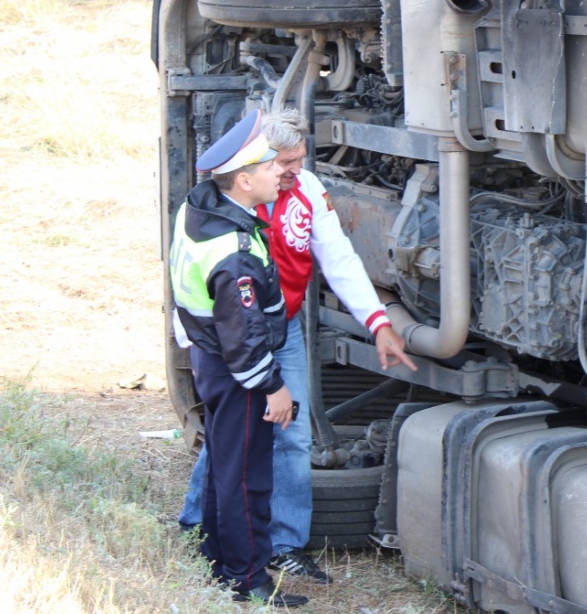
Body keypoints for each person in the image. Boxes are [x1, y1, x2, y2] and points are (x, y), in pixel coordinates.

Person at [178, 108, 417, 584]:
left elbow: (338, 257)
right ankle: (200, 528)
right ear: (253, 165)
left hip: (278, 330)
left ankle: (283, 544)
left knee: (289, 437)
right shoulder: (228, 205)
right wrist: (192, 335)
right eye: (282, 162)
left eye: (299, 160)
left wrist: (378, 322)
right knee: (233, 434)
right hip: (234, 338)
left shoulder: (305, 191)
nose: (292, 171)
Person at [169, 109, 308, 608]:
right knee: (247, 476)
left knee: (225, 465)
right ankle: (246, 579)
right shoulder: (233, 251)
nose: (282, 174)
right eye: (272, 168)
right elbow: (244, 337)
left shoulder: (199, 207)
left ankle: (214, 556)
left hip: (209, 359)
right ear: (244, 179)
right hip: (237, 373)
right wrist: (274, 387)